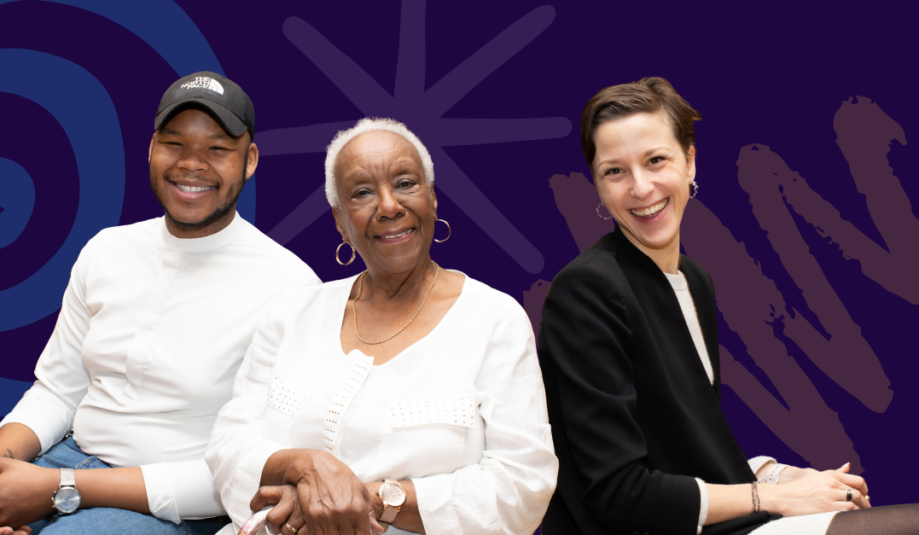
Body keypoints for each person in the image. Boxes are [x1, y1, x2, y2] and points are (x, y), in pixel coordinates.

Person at [0, 71, 320, 535]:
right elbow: (59, 389)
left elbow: (249, 471)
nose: (191, 164)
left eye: (217, 149)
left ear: (250, 160)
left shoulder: (289, 287)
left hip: (168, 502)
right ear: (152, 147)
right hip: (63, 459)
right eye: (174, 144)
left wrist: (57, 487)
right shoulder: (107, 250)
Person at [538, 77, 919, 535]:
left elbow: (687, 452)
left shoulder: (693, 280)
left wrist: (777, 473)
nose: (640, 187)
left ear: (690, 161)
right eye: (614, 171)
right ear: (598, 186)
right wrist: (778, 496)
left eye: (656, 160)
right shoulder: (587, 289)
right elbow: (621, 493)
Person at [205, 118, 558, 535]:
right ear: (340, 222)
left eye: (405, 183)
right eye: (362, 193)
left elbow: (521, 486)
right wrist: (304, 467)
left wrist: (370, 499)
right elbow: (228, 449)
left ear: (432, 198)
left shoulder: (494, 320)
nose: (389, 206)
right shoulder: (293, 313)